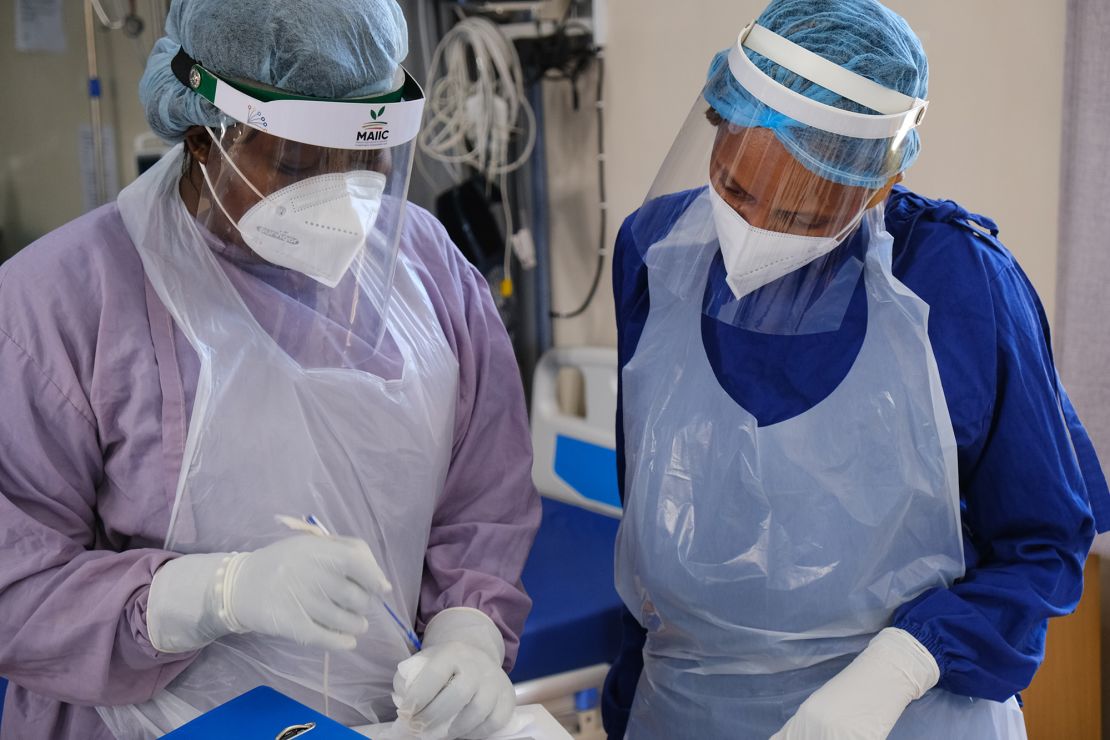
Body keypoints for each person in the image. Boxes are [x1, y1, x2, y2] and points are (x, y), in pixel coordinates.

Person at [0, 1, 540, 738]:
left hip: (385, 721)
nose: (343, 189)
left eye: (367, 154)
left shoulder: (427, 268)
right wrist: (215, 593)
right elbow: (16, 586)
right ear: (201, 135)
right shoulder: (58, 306)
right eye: (298, 161)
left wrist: (468, 633)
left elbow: (484, 501)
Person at [602, 1, 1109, 738]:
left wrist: (902, 664)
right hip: (687, 711)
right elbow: (653, 532)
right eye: (736, 191)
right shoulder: (657, 252)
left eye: (803, 215)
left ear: (881, 186)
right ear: (717, 123)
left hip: (907, 715)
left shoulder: (957, 286)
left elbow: (1045, 542)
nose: (755, 230)